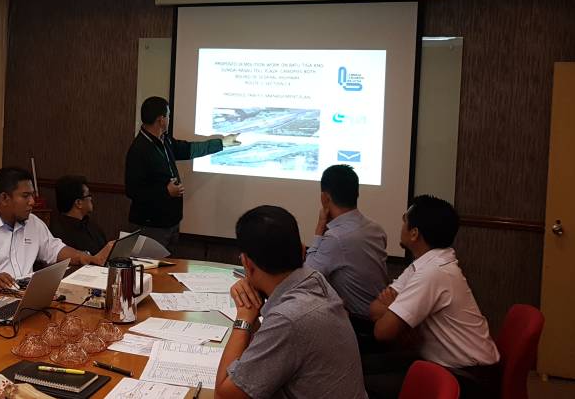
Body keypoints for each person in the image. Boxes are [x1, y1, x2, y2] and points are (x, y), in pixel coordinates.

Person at [214, 205, 367, 399]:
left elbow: (224, 395)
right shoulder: (314, 279)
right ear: (302, 250)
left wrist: (244, 317)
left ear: (247, 264)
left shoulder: (289, 318)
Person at [364, 195, 500, 399]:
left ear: (414, 234)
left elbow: (382, 331)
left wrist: (394, 310)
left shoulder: (433, 272)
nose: (401, 224)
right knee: (362, 366)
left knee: (362, 382)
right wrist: (394, 312)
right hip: (445, 364)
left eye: (404, 220)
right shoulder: (425, 264)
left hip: (470, 378)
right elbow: (374, 309)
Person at [0, 166, 113, 294]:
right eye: (25, 196)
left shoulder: (33, 222)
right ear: (4, 198)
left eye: (32, 195)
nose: (32, 202)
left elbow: (55, 249)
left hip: (23, 296)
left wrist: (85, 257)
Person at [125, 96, 238, 250]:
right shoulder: (139, 150)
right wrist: (166, 191)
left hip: (170, 223)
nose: (169, 119)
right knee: (149, 264)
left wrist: (222, 143)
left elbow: (188, 149)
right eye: (168, 115)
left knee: (166, 264)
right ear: (161, 120)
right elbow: (132, 191)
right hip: (151, 226)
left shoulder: (164, 140)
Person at [305, 164, 388, 319]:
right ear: (357, 193)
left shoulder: (336, 238)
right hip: (379, 315)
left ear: (325, 198)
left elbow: (308, 277)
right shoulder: (376, 229)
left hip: (357, 323)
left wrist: (319, 228)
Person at [49, 175, 108, 256]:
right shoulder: (58, 234)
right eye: (88, 195)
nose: (91, 198)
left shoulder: (92, 226)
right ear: (78, 203)